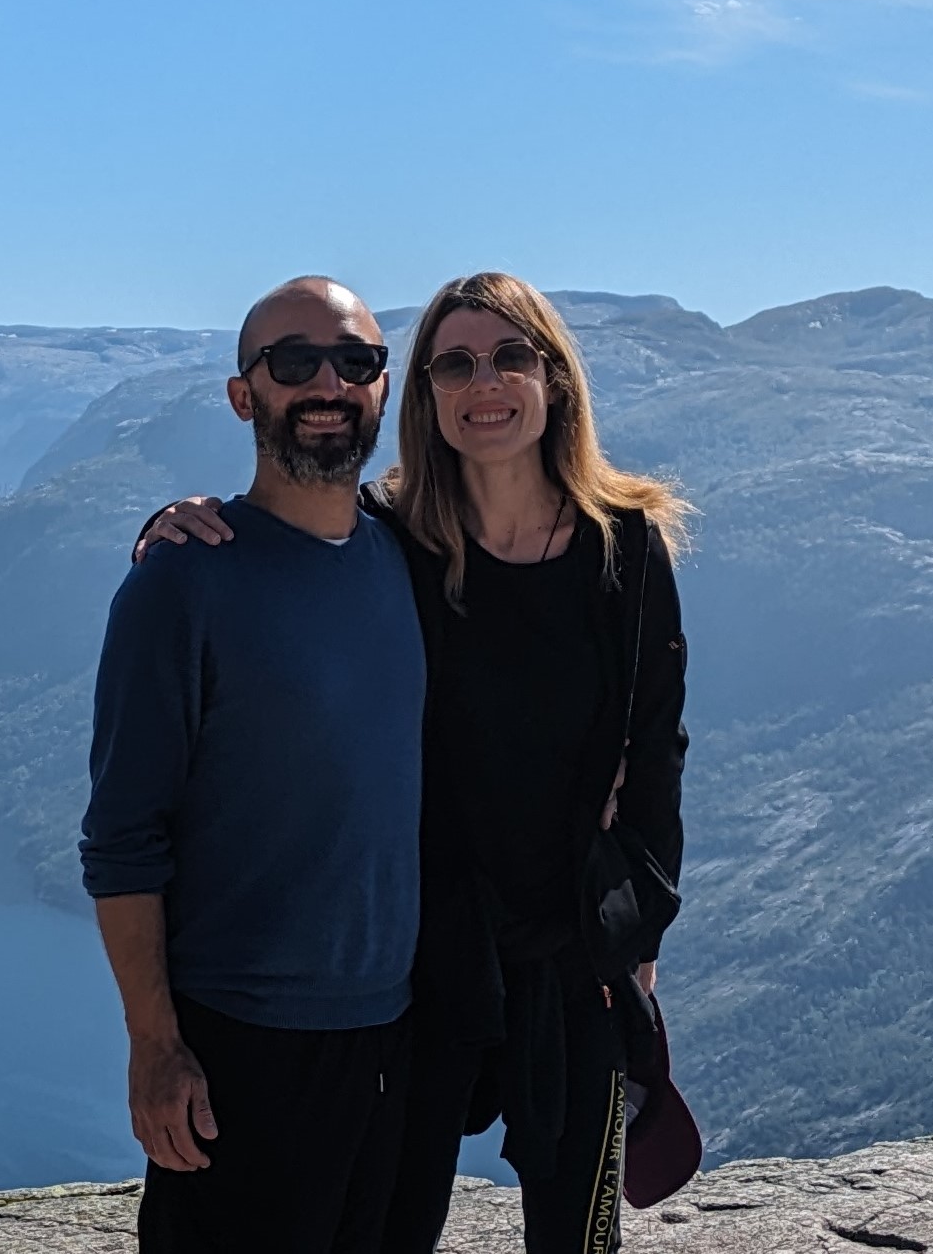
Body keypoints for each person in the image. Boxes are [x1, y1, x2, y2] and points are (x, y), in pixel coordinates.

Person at [136, 271, 690, 1254]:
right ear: (424, 393)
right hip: (432, 958)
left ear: (553, 379)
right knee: (394, 1225)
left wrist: (638, 938)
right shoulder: (396, 541)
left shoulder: (625, 550)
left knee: (578, 1238)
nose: (486, 381)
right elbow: (282, 540)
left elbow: (655, 754)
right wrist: (173, 526)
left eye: (511, 356)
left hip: (575, 959)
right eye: (456, 362)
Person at [82, 276, 425, 1253]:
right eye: (293, 361)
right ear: (245, 395)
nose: (327, 382)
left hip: (396, 1036)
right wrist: (155, 1044)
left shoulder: (410, 552)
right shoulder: (184, 580)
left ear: (382, 387)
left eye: (353, 360)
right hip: (241, 1049)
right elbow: (120, 838)